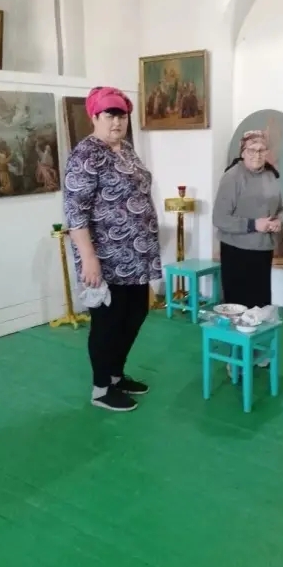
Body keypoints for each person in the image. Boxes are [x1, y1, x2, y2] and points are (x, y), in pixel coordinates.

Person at [64, 86, 161, 412]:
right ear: (94, 117)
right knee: (108, 322)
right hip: (106, 257)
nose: (117, 122)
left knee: (135, 313)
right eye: (110, 115)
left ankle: (116, 375)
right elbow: (75, 213)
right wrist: (89, 259)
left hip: (136, 255)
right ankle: (101, 388)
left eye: (121, 115)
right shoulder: (86, 155)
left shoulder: (126, 149)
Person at [213, 130, 283, 310]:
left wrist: (279, 221)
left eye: (261, 150)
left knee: (260, 306)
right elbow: (219, 218)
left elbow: (281, 209)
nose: (257, 155)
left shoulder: (271, 175)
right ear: (243, 152)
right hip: (237, 251)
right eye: (252, 150)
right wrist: (254, 225)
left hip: (263, 249)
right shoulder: (232, 177)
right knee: (238, 307)